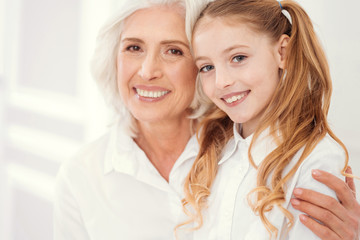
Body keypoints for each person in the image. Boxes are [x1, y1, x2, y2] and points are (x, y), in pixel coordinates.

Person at [53, 0, 360, 239]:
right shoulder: (81, 175)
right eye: (134, 47)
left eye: (173, 51)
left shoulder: (239, 142)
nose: (147, 71)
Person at [182, 0, 360, 239]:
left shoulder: (316, 160)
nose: (220, 81)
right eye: (207, 67)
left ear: (282, 53)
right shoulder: (207, 148)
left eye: (238, 58)